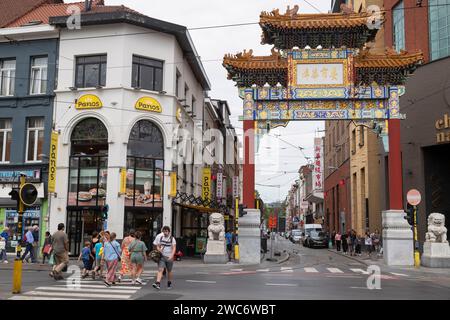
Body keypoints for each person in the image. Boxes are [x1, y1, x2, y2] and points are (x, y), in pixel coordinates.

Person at [152, 226, 176, 290]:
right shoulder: (161, 238)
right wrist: (159, 249)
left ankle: (169, 282)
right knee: (160, 270)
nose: (165, 233)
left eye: (166, 231)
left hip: (169, 257)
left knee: (169, 271)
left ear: (169, 232)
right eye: (164, 231)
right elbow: (158, 246)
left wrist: (171, 256)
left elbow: (174, 248)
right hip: (162, 257)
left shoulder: (172, 239)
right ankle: (158, 283)